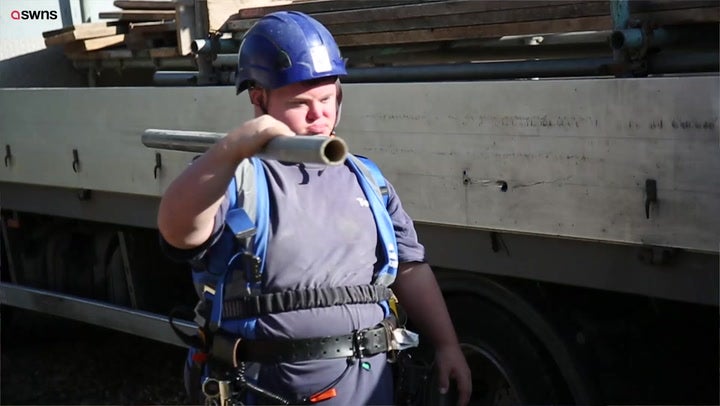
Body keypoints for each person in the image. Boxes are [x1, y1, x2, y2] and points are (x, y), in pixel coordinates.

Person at [158, 11, 471, 406]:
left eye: (327, 98)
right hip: (266, 390)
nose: (318, 114)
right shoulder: (237, 177)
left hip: (368, 386)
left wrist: (447, 345)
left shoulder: (366, 178)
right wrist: (232, 149)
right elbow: (176, 229)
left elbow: (410, 267)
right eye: (300, 102)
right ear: (259, 99)